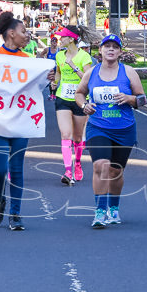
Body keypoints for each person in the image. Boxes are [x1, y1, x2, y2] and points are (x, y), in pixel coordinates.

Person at [0, 12, 53, 231]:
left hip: (21, 121)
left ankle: (15, 213)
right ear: (11, 34)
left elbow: (35, 86)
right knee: (0, 170)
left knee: (17, 168)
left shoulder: (28, 61)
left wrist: (46, 77)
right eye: (23, 31)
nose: (27, 35)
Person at [74, 34, 146, 228]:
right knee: (101, 166)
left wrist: (129, 99)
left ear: (120, 52)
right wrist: (84, 106)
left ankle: (113, 208)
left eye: (115, 47)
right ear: (101, 51)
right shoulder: (92, 73)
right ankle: (99, 211)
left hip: (124, 129)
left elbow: (142, 99)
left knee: (115, 171)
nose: (111, 49)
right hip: (98, 127)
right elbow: (79, 93)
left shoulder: (129, 72)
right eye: (107, 46)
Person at [51, 26, 94, 184]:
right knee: (65, 135)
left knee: (77, 137)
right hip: (62, 98)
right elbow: (58, 73)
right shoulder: (59, 55)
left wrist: (73, 66)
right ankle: (68, 171)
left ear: (71, 39)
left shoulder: (84, 56)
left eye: (62, 37)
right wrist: (54, 83)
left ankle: (77, 163)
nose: (59, 40)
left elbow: (88, 79)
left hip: (80, 99)